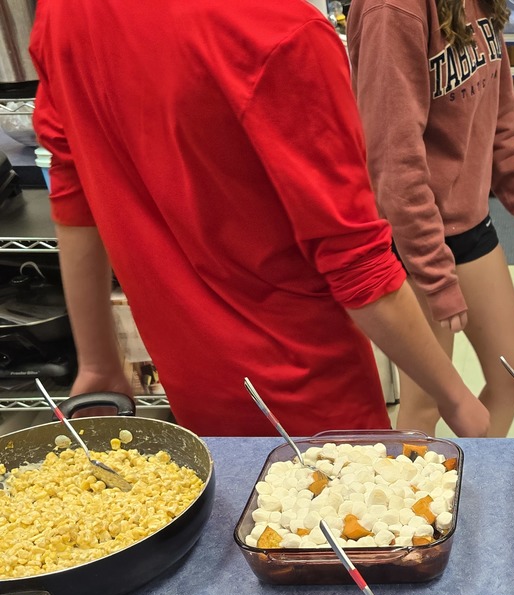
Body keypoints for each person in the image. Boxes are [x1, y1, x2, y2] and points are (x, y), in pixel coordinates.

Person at [29, 0, 490, 439]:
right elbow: (356, 263)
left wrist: (97, 362)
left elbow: (71, 188)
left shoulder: (67, 10)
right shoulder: (278, 31)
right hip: (308, 396)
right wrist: (454, 398)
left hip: (192, 380)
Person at [346, 0, 514, 437]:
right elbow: (392, 160)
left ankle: (467, 483)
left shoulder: (481, 3)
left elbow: (500, 113)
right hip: (412, 238)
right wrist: (436, 277)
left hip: (470, 225)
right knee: (425, 407)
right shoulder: (393, 10)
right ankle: (422, 503)